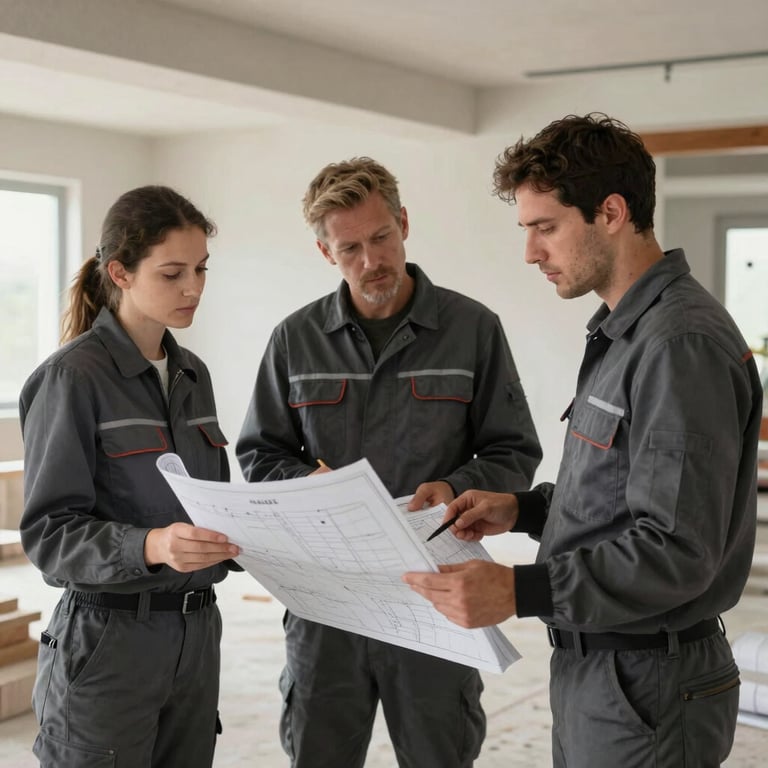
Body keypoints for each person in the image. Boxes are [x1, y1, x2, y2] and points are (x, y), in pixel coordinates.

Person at [403, 114, 763, 768]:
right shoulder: (625, 333)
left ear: (612, 212)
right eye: (527, 230)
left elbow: (677, 550)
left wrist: (519, 590)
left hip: (649, 681)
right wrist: (526, 509)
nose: (531, 252)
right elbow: (623, 495)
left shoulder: (678, 345)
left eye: (546, 227)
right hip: (602, 672)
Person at [236, 157, 541, 768]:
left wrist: (456, 486)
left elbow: (515, 452)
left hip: (435, 593)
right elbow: (259, 456)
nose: (371, 260)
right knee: (318, 752)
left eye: (382, 237)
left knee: (439, 753)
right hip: (327, 600)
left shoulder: (473, 329)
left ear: (404, 223)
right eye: (350, 247)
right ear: (326, 252)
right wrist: (305, 485)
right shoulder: (294, 339)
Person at [19, 185, 241, 768]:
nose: (193, 287)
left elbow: (211, 505)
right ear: (119, 272)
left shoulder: (195, 374)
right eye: (172, 273)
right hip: (108, 643)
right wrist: (152, 545)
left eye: (200, 269)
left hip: (196, 641)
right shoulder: (72, 378)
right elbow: (48, 537)